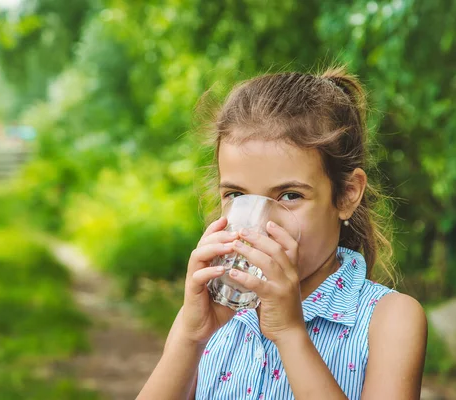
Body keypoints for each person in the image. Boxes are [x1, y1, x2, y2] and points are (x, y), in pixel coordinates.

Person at [137, 67, 427, 399]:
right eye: (237, 195)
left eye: (290, 196)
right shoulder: (209, 316)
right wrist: (191, 337)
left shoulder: (389, 320)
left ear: (347, 194)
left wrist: (290, 333)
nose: (258, 223)